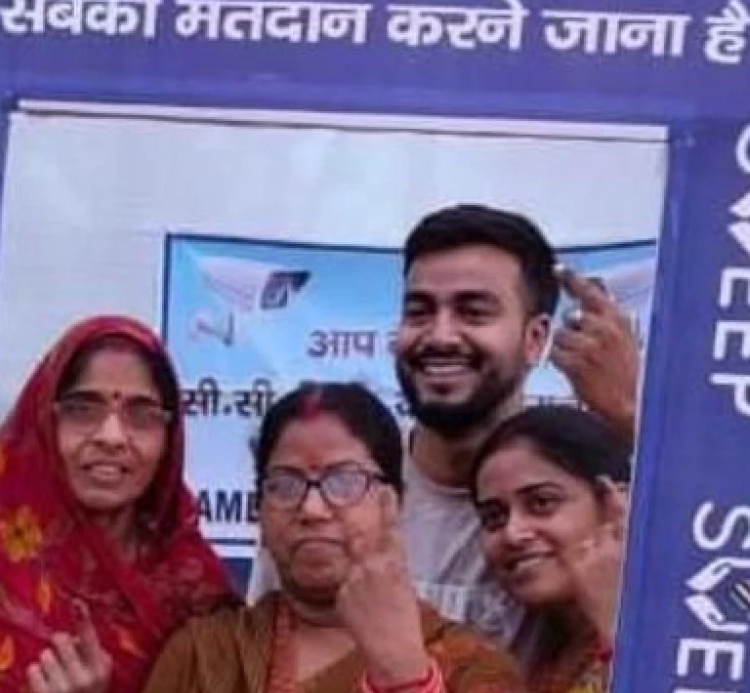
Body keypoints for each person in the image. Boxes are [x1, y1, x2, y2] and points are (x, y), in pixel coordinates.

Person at [101, 382, 552, 693]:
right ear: (260, 510)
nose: (312, 510)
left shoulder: (472, 670)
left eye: (344, 481)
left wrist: (402, 671)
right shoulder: (199, 653)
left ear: (394, 502)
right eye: (285, 484)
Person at [245, 203, 639, 656]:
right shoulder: (334, 491)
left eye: (473, 313)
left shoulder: (586, 500)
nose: (440, 336)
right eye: (419, 312)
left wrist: (631, 414)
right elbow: (264, 659)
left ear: (535, 339)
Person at [0, 316, 236, 693]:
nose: (112, 436)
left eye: (141, 415)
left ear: (170, 436)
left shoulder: (194, 594)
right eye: (83, 410)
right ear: (44, 419)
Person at [471, 405, 631, 693]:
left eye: (542, 503)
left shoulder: (690, 646)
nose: (513, 533)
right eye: (494, 517)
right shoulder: (532, 657)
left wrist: (615, 621)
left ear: (614, 503)